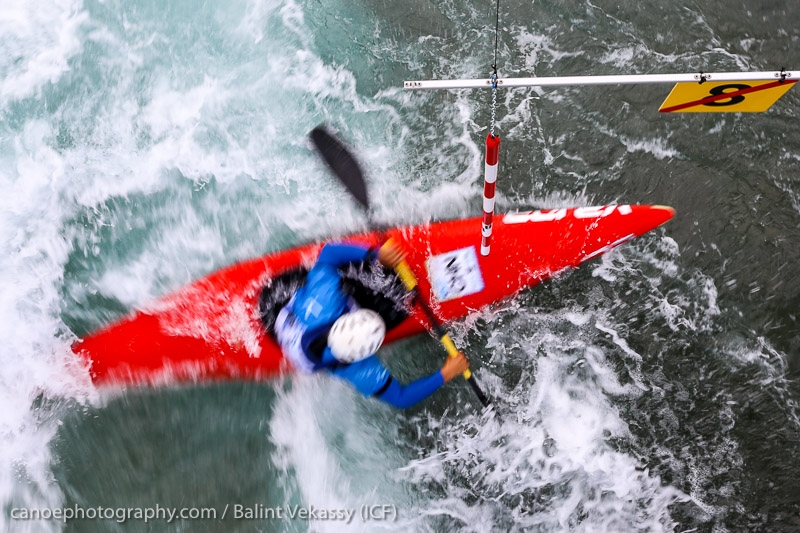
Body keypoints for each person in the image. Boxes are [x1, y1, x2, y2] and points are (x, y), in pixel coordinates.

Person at [273, 239, 469, 409]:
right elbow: (401, 398)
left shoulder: (326, 299)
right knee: (396, 308)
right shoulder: (355, 368)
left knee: (351, 275)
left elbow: (329, 253)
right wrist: (445, 373)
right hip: (297, 329)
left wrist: (376, 255)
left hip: (292, 312)